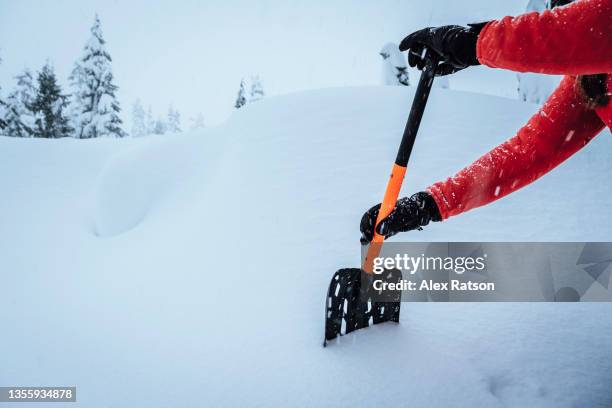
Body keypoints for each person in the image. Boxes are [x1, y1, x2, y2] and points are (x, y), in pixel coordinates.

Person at [360, 0, 612, 245]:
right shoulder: (595, 81)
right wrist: (429, 204)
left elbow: (565, 33)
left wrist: (472, 44)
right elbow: (528, 150)